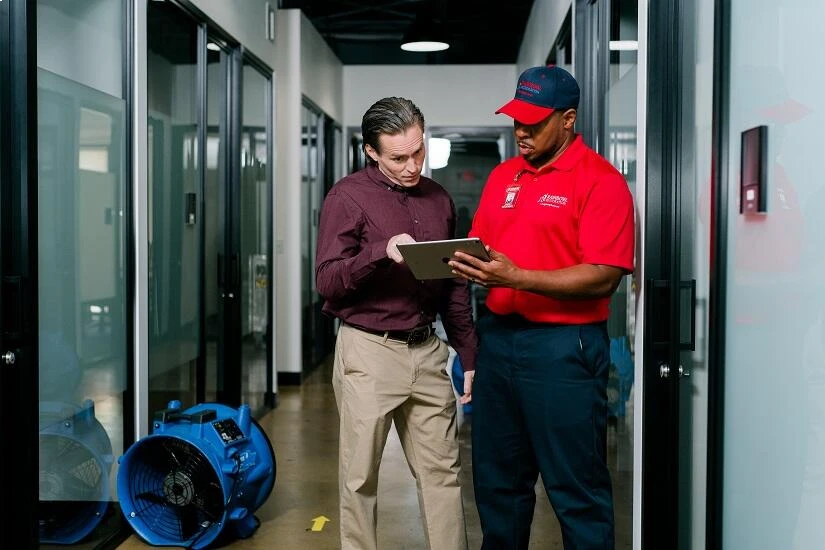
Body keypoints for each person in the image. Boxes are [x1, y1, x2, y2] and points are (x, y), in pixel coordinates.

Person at [449, 65, 635, 548]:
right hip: (500, 344)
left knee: (576, 490)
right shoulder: (503, 176)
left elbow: (604, 275)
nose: (521, 131)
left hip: (563, 349)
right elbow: (485, 247)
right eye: (516, 120)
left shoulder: (601, 181)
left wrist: (519, 277)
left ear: (568, 119)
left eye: (534, 122)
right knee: (498, 486)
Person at [315, 96, 478, 550]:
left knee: (443, 476)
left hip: (428, 352)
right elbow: (327, 281)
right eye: (398, 157)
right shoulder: (346, 197)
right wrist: (378, 252)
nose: (412, 166)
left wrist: (467, 352)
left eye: (419, 152)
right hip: (369, 351)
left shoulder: (439, 199)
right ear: (371, 151)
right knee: (359, 478)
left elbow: (453, 284)